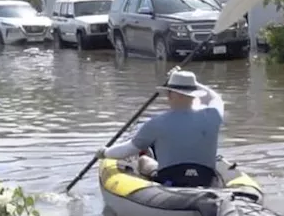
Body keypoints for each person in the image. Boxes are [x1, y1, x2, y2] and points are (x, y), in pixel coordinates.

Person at [96, 69, 225, 188]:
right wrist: (195, 83)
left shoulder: (156, 123)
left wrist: (105, 152)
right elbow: (215, 97)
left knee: (144, 160)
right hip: (206, 179)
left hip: (170, 181)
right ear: (195, 95)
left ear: (170, 95)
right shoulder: (213, 116)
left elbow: (128, 149)